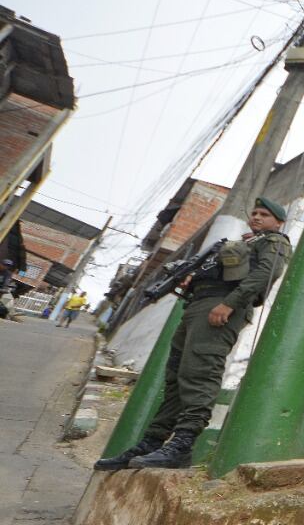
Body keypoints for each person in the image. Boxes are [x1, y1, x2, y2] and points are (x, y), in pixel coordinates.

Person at [94, 197, 292, 471]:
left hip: (220, 307)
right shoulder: (245, 242)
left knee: (201, 371)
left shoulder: (275, 242)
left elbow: (264, 274)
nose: (256, 217)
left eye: (264, 215)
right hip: (199, 305)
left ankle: (183, 445)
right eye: (255, 213)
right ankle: (152, 442)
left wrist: (229, 304)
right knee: (177, 376)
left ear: (279, 222)